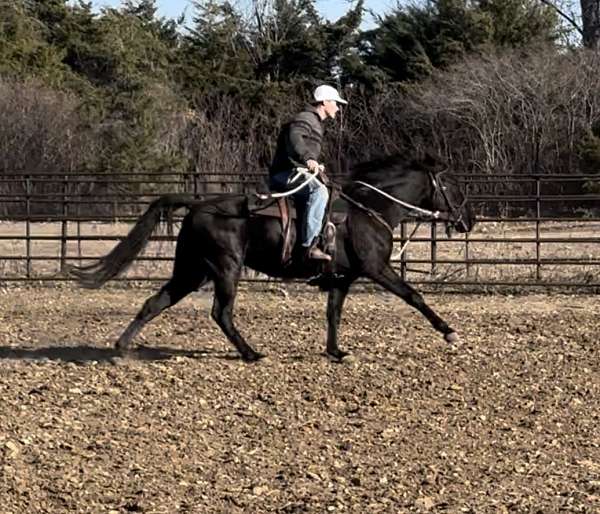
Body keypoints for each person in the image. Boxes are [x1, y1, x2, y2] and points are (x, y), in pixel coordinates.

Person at [269, 84, 347, 262]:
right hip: (285, 174)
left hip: (295, 172)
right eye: (336, 102)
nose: (338, 107)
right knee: (319, 191)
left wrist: (315, 164)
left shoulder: (314, 121)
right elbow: (295, 138)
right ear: (325, 102)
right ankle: (310, 245)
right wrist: (309, 159)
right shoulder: (306, 118)